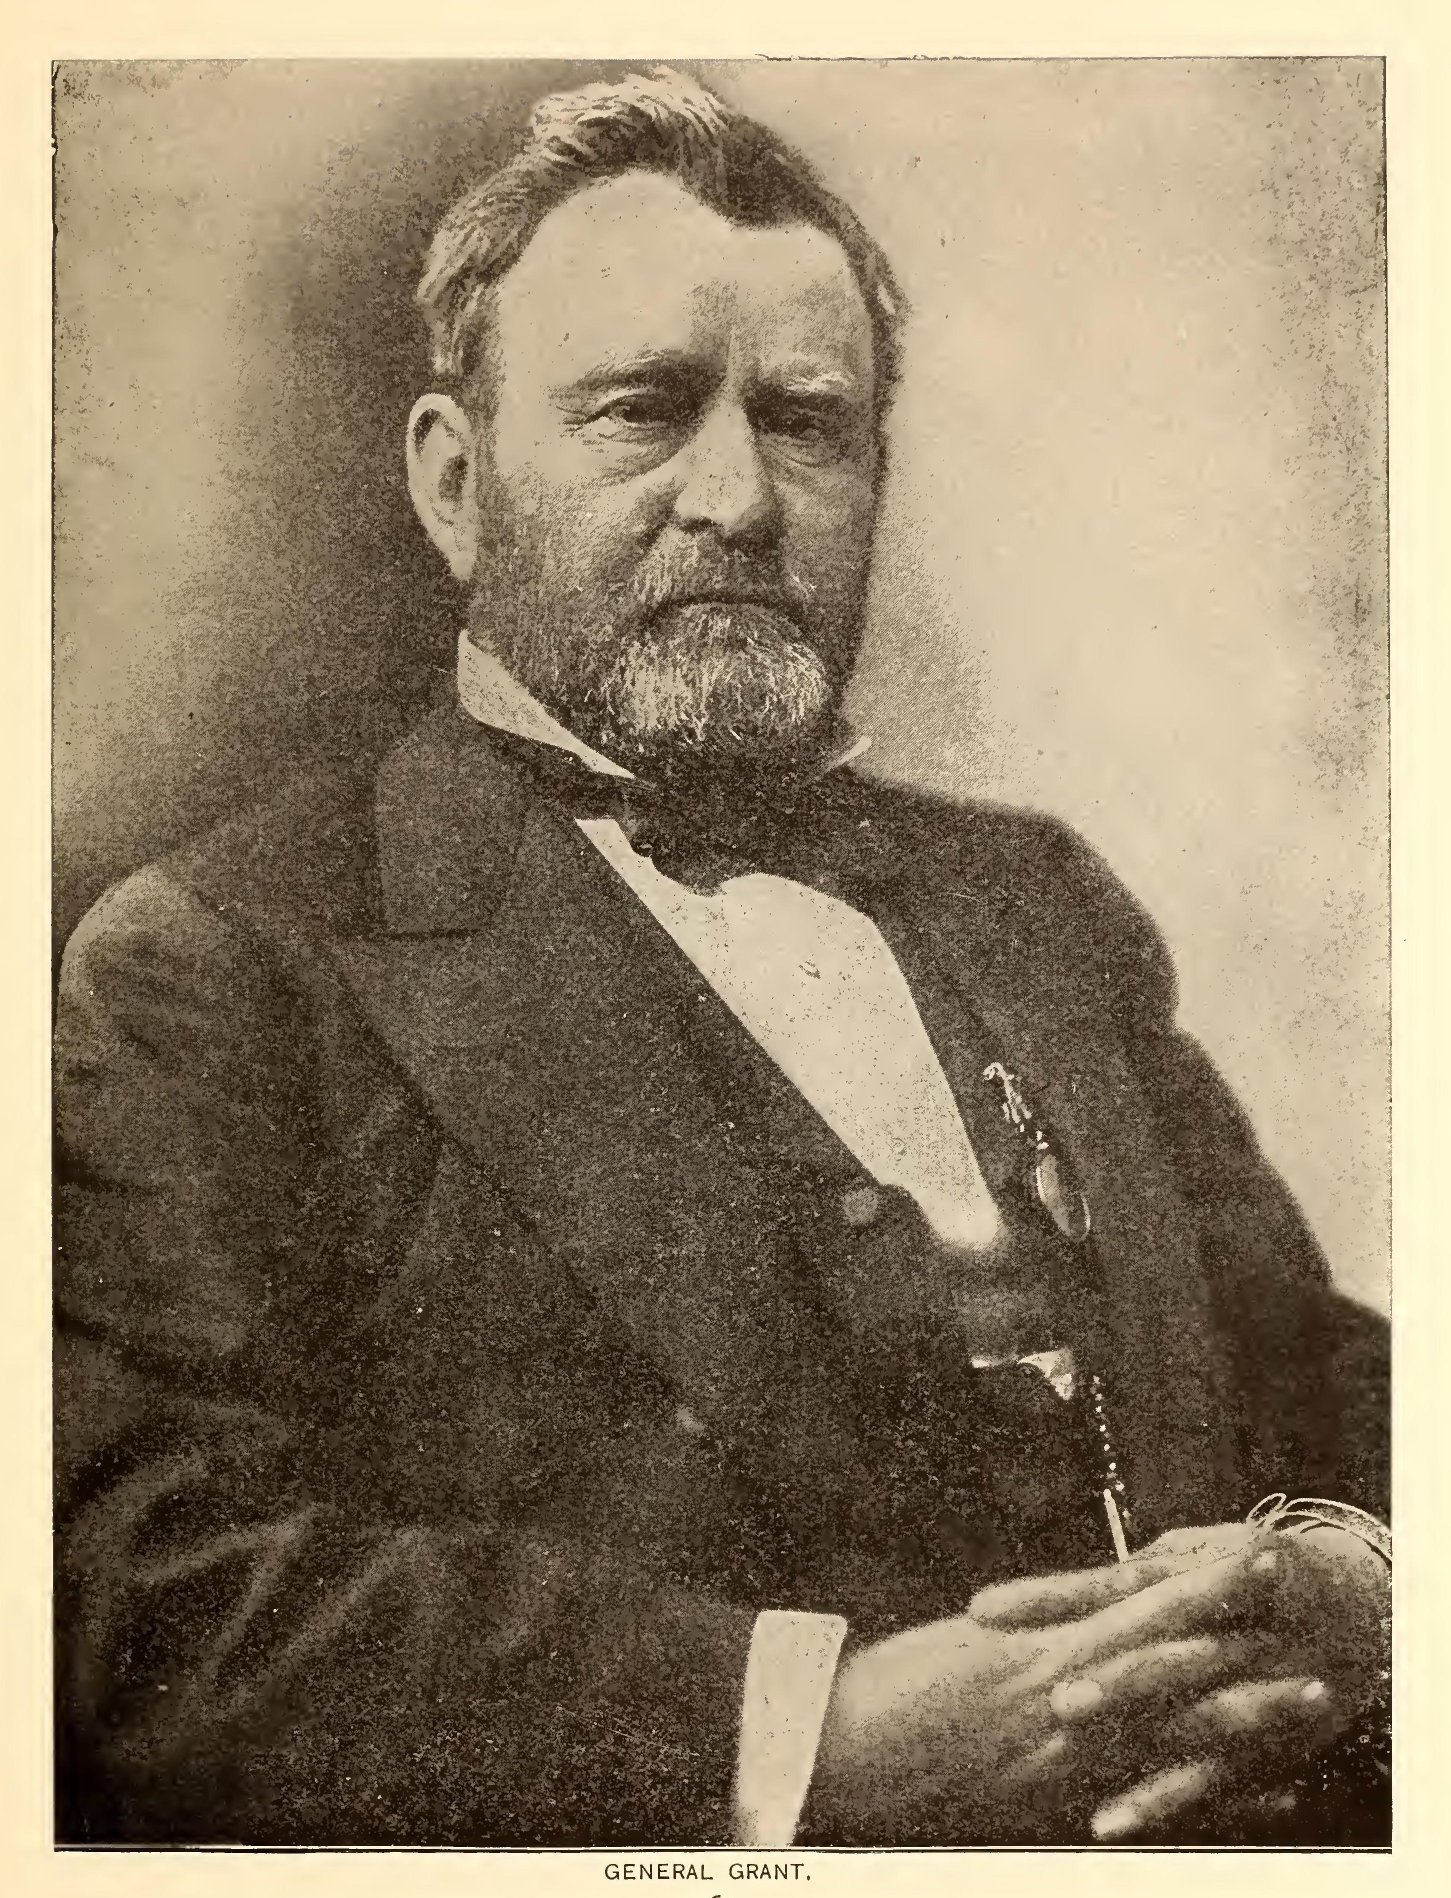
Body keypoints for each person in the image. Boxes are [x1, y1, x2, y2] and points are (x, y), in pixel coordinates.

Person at [53, 67, 1390, 1849]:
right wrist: (804, 1740)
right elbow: (158, 1603)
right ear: (454, 484)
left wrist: (1356, 1585)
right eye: (644, 411)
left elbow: (1325, 1380)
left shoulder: (1036, 900)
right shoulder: (214, 968)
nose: (742, 498)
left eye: (809, 423)